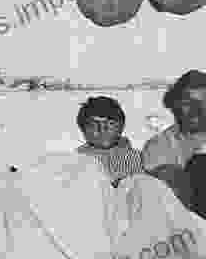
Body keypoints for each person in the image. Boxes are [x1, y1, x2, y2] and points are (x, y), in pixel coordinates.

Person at [142, 70, 206, 213]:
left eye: (204, 102)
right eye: (188, 103)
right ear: (175, 105)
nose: (197, 110)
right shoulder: (159, 146)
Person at [75, 96, 144, 185]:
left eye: (110, 123)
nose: (102, 129)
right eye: (94, 125)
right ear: (83, 129)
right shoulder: (77, 161)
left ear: (122, 126)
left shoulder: (139, 159)